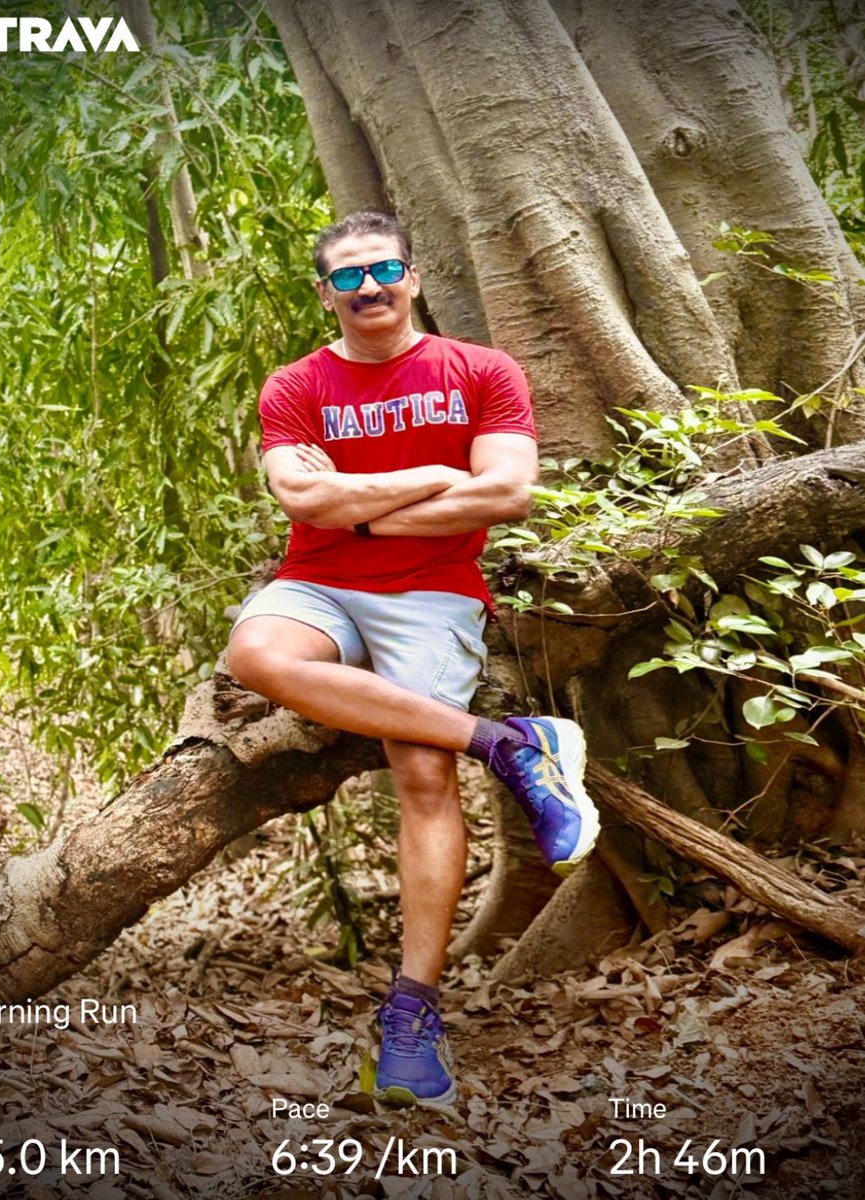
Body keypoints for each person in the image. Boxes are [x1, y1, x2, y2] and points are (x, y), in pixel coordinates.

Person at [228, 211, 600, 1108]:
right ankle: (507, 744)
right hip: (316, 584)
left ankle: (412, 1016)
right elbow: (298, 499)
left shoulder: (479, 370)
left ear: (413, 276)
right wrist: (435, 478)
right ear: (325, 293)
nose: (368, 288)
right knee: (254, 655)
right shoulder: (295, 385)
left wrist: (355, 509)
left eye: (382, 270)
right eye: (346, 276)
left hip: (433, 592)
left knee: (422, 773)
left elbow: (507, 492)